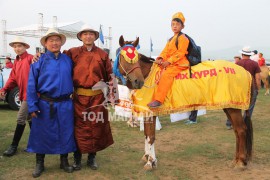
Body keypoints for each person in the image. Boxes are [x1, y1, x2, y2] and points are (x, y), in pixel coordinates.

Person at [64, 24, 115, 171]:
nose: (88, 36)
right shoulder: (72, 53)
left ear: (95, 36)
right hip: (78, 98)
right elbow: (58, 60)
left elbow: (110, 77)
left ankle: (92, 158)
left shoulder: (102, 55)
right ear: (80, 36)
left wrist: (112, 97)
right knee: (78, 129)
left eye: (91, 34)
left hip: (97, 98)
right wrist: (39, 56)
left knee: (96, 128)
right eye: (85, 34)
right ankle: (77, 158)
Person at [27, 28, 76, 178]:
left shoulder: (68, 60)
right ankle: (39, 163)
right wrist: (32, 106)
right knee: (41, 134)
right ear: (46, 43)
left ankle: (64, 161)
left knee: (66, 132)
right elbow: (31, 85)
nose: (54, 43)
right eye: (51, 40)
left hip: (65, 104)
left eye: (57, 40)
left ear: (61, 42)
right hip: (44, 103)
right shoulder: (38, 61)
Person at [148, 12, 189, 108]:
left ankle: (159, 100)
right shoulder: (171, 39)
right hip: (171, 62)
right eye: (173, 24)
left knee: (166, 75)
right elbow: (165, 51)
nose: (175, 26)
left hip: (180, 63)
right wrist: (160, 58)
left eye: (177, 24)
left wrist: (168, 61)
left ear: (183, 26)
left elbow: (180, 53)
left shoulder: (183, 38)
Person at [0, 37, 33, 157]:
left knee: (20, 118)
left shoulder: (31, 59)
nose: (17, 48)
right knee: (30, 119)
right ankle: (34, 144)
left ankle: (13, 146)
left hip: (31, 95)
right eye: (15, 46)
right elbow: (13, 78)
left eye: (19, 46)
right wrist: (4, 89)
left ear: (25, 47)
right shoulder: (17, 61)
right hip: (23, 94)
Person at [237, 47, 261, 118]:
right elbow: (258, 78)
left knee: (236, 105)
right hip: (252, 87)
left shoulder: (237, 63)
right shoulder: (255, 64)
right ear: (250, 55)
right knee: (250, 107)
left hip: (240, 87)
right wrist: (258, 88)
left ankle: (231, 122)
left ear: (242, 54)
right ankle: (245, 121)